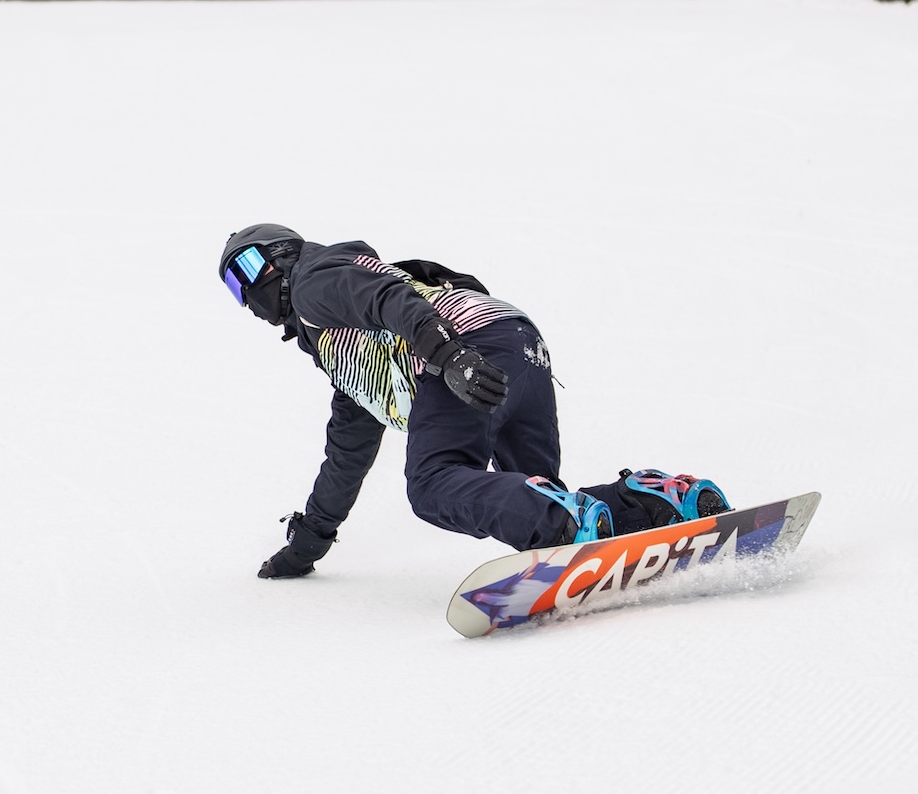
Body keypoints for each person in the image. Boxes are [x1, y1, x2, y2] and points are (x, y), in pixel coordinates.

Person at [218, 224, 729, 580]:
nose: (245, 298)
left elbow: (387, 299)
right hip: (517, 342)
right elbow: (346, 456)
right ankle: (656, 501)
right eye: (233, 289)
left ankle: (569, 522)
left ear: (280, 257)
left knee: (433, 484)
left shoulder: (313, 280)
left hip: (465, 350)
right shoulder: (346, 357)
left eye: (244, 273)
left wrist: (450, 356)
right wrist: (309, 541)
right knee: (538, 499)